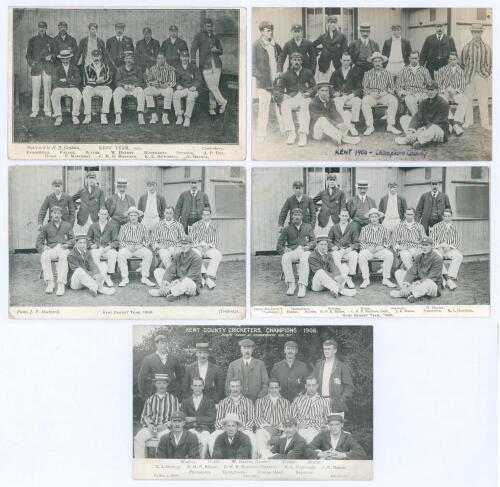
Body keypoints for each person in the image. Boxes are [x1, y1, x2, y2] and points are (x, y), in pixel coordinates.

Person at [274, 52, 315, 147]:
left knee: (305, 105)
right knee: (285, 105)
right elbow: (277, 91)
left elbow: (314, 87)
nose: (296, 62)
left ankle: (302, 134)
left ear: (302, 61)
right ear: (291, 61)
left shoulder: (308, 72)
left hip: (304, 96)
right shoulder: (286, 74)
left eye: (298, 60)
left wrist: (309, 93)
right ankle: (291, 133)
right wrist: (283, 96)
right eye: (294, 60)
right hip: (292, 97)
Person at [134, 373, 179, 458]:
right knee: (139, 437)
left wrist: (166, 425)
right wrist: (149, 425)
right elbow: (145, 416)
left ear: (167, 384)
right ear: (155, 384)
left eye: (164, 383)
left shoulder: (173, 399)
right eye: (159, 383)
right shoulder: (150, 399)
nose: (161, 386)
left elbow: (176, 418)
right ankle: (140, 464)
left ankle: (160, 465)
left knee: (164, 440)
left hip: (165, 429)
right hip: (151, 428)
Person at [396, 80, 450, 149]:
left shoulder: (443, 104)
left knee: (433, 128)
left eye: (432, 90)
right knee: (404, 118)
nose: (430, 92)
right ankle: (415, 138)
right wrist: (411, 131)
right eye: (428, 90)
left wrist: (420, 130)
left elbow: (438, 122)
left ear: (437, 91)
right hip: (424, 128)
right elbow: (417, 117)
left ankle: (412, 140)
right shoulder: (424, 102)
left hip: (439, 130)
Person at [209, 380, 256, 457]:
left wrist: (242, 428)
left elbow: (251, 420)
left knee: (252, 438)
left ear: (241, 387)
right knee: (212, 437)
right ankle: (215, 462)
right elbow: (218, 420)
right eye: (233, 386)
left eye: (237, 386)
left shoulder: (248, 402)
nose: (235, 389)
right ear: (229, 388)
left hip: (243, 429)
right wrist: (224, 428)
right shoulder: (223, 402)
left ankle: (253, 461)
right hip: (226, 429)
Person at [276, 208, 316, 298]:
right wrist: (284, 250)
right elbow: (279, 245)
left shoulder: (308, 227)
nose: (297, 217)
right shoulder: (287, 229)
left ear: (302, 216)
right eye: (295, 215)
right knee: (285, 257)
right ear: (292, 216)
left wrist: (309, 246)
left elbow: (314, 241)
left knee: (305, 257)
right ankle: (291, 284)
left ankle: (302, 285)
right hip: (293, 251)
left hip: (304, 250)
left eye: (299, 215)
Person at [191, 18, 228, 115]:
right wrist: (193, 64)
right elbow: (193, 51)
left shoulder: (215, 37)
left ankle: (212, 107)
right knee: (210, 86)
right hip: (205, 65)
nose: (209, 28)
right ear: (203, 26)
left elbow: (221, 51)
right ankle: (223, 102)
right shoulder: (198, 37)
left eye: (210, 26)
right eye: (207, 26)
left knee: (214, 87)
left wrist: (217, 50)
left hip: (216, 65)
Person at [149, 235, 203, 301]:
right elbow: (171, 269)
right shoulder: (178, 255)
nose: (183, 246)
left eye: (186, 244)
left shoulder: (196, 258)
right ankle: (171, 292)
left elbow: (192, 276)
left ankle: (164, 292)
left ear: (191, 244)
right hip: (178, 282)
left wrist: (174, 283)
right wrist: (165, 282)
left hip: (192, 285)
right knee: (158, 271)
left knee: (187, 281)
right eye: (182, 244)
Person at [390, 236, 443, 302]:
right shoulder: (419, 257)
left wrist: (412, 285)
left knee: (428, 282)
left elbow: (432, 277)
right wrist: (405, 285)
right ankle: (409, 292)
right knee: (399, 272)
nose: (424, 247)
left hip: (433, 285)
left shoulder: (437, 259)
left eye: (426, 245)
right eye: (423, 245)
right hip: (418, 282)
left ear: (432, 245)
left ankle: (409, 294)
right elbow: (412, 271)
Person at [36, 205, 74, 296]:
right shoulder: (46, 227)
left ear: (61, 214)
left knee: (64, 256)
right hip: (52, 249)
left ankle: (61, 284)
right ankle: (50, 283)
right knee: (44, 255)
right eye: (54, 213)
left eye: (58, 213)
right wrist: (43, 247)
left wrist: (67, 244)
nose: (56, 215)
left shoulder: (67, 225)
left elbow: (73, 239)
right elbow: (38, 242)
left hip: (64, 248)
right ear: (51, 214)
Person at [253, 20, 281, 142]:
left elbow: (280, 61)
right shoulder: (256, 46)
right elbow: (251, 66)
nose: (270, 33)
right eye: (268, 30)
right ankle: (261, 134)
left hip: (276, 82)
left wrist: (280, 74)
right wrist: (261, 77)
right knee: (263, 108)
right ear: (261, 32)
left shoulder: (276, 46)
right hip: (263, 83)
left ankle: (285, 130)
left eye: (271, 30)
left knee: (280, 105)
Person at [308, 82, 360, 148]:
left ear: (329, 91)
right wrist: (336, 124)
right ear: (318, 91)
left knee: (347, 113)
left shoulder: (330, 101)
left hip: (328, 131)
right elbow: (322, 117)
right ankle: (342, 138)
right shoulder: (313, 103)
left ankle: (338, 136)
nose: (324, 93)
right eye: (322, 91)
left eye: (326, 90)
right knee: (322, 119)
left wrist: (341, 123)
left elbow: (335, 113)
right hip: (318, 133)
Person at [361, 52, 401, 136]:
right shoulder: (367, 74)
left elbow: (392, 88)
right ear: (373, 63)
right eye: (375, 61)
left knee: (393, 100)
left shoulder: (388, 73)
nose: (377, 63)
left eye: (379, 61)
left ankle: (390, 125)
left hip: (384, 95)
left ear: (382, 62)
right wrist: (371, 94)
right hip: (372, 96)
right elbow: (364, 88)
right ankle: (370, 126)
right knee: (365, 101)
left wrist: (385, 92)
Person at [461, 24, 492, 129]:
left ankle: (485, 123)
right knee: (467, 98)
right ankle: (468, 121)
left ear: (481, 33)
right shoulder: (466, 47)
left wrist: (485, 74)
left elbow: (489, 64)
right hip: (469, 76)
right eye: (474, 32)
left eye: (478, 32)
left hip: (481, 76)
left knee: (483, 99)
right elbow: (462, 63)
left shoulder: (486, 48)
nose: (477, 34)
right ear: (471, 33)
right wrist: (467, 72)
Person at [116, 207, 155, 287]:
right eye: (131, 215)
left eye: (135, 215)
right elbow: (120, 240)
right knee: (120, 254)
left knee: (148, 253)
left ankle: (144, 277)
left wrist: (141, 245)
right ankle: (125, 278)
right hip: (127, 248)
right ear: (128, 217)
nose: (133, 217)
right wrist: (127, 246)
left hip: (139, 248)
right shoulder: (124, 227)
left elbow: (147, 241)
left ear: (138, 216)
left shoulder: (143, 227)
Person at [358, 208, 396, 289]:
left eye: (376, 217)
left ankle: (385, 279)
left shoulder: (383, 228)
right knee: (361, 256)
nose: (374, 219)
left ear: (379, 218)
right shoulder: (364, 229)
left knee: (389, 255)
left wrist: (382, 247)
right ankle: (366, 279)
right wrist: (368, 248)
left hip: (380, 250)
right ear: (369, 218)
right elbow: (361, 242)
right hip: (368, 250)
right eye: (372, 217)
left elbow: (388, 242)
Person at [137, 334, 183, 401]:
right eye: (162, 343)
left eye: (166, 343)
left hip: (172, 395)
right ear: (156, 344)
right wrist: (144, 395)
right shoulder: (149, 359)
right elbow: (141, 378)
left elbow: (179, 378)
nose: (164, 345)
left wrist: (178, 393)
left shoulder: (174, 359)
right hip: (154, 395)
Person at [312, 339, 354, 413]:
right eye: (325, 349)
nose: (326, 351)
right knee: (320, 424)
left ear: (335, 350)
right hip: (320, 403)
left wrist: (341, 400)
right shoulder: (319, 366)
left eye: (329, 349)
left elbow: (349, 387)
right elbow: (312, 382)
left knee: (334, 424)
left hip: (336, 405)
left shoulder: (341, 366)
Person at [180, 376, 216, 459]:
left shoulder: (209, 401)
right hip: (189, 428)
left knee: (205, 441)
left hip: (204, 429)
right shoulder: (186, 401)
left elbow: (211, 418)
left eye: (200, 386)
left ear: (203, 387)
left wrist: (195, 419)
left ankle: (202, 462)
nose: (197, 388)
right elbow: (183, 417)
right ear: (191, 387)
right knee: (187, 440)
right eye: (195, 386)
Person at [254, 378, 291, 459]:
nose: (274, 390)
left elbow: (287, 419)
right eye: (271, 388)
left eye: (276, 387)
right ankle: (267, 457)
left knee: (288, 435)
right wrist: (268, 428)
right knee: (259, 433)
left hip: (281, 431)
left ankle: (276, 457)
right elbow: (257, 418)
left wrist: (279, 430)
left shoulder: (286, 402)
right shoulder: (260, 401)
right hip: (266, 430)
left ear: (279, 388)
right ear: (268, 389)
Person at [435, 52, 468, 136]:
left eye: (454, 59)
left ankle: (456, 121)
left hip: (456, 93)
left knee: (464, 99)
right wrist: (445, 91)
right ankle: (451, 123)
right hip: (444, 92)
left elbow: (462, 85)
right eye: (450, 59)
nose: (452, 61)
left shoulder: (461, 71)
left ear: (457, 60)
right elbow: (438, 84)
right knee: (441, 99)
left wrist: (455, 91)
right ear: (448, 60)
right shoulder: (442, 70)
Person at [290, 376, 331, 443]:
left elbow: (329, 419)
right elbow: (291, 417)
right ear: (305, 386)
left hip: (316, 430)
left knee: (309, 440)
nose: (311, 388)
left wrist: (325, 427)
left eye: (313, 385)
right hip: (300, 429)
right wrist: (298, 424)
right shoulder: (298, 400)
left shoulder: (324, 401)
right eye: (309, 385)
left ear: (317, 386)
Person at [26, 20, 54, 118]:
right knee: (35, 90)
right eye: (40, 27)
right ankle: (35, 110)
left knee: (48, 89)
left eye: (43, 27)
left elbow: (55, 53)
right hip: (36, 68)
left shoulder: (51, 40)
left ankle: (47, 110)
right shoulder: (32, 40)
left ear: (46, 28)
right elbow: (28, 55)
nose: (41, 29)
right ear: (38, 28)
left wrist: (51, 56)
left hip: (47, 67)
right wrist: (31, 62)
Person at [330, 52, 363, 135]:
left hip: (350, 97)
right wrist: (334, 93)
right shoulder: (335, 73)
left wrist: (353, 94)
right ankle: (347, 125)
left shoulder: (355, 73)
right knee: (336, 102)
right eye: (344, 60)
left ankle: (353, 124)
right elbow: (330, 87)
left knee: (357, 101)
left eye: (348, 60)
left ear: (351, 61)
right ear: (341, 60)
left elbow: (360, 88)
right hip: (339, 97)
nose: (346, 62)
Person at [430, 208, 462, 291]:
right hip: (438, 248)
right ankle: (445, 279)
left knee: (458, 256)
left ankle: (450, 276)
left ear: (451, 217)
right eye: (445, 216)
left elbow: (457, 241)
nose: (447, 218)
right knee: (437, 257)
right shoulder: (436, 226)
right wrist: (439, 247)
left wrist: (450, 247)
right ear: (442, 217)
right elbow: (432, 240)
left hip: (450, 248)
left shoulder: (454, 227)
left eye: (448, 216)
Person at [190, 207, 222, 289]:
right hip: (197, 247)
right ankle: (202, 277)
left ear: (210, 215)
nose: (206, 217)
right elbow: (192, 239)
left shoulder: (214, 226)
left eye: (208, 215)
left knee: (217, 255)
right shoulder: (195, 225)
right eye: (204, 215)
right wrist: (199, 248)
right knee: (196, 256)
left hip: (208, 248)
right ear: (202, 215)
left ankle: (209, 275)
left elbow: (215, 240)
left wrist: (207, 247)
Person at [87, 207, 119, 287]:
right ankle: (99, 275)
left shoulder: (112, 226)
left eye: (105, 214)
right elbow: (88, 239)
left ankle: (108, 276)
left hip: (107, 248)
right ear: (98, 214)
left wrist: (109, 246)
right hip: (97, 248)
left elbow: (116, 241)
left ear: (107, 215)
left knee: (113, 254)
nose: (103, 216)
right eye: (101, 214)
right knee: (93, 254)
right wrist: (91, 245)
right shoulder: (93, 226)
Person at [328, 208, 360, 289]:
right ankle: (341, 277)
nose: (344, 217)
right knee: (334, 255)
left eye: (346, 216)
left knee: (354, 254)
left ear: (348, 217)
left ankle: (349, 277)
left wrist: (351, 248)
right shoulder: (334, 227)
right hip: (338, 250)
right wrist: (332, 246)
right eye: (342, 215)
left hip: (347, 250)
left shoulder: (352, 227)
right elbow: (328, 241)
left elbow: (356, 242)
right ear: (339, 216)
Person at [51, 49, 82, 127]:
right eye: (63, 58)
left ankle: (75, 115)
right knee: (54, 94)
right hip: (61, 88)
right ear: (61, 59)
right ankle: (58, 117)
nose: (65, 60)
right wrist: (70, 82)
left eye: (67, 58)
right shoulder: (56, 68)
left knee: (78, 94)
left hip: (72, 88)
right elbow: (55, 81)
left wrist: (66, 80)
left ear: (70, 58)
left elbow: (78, 80)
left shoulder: (74, 68)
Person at [113, 52, 145, 125]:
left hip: (134, 88)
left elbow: (141, 81)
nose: (128, 60)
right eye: (127, 58)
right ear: (124, 60)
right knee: (116, 92)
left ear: (133, 60)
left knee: (141, 91)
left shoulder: (138, 69)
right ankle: (118, 115)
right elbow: (117, 82)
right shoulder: (120, 69)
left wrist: (135, 85)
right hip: (124, 88)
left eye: (130, 58)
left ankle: (140, 115)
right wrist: (123, 85)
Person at [396, 50, 432, 116]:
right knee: (409, 99)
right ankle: (417, 118)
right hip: (409, 94)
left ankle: (421, 119)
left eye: (416, 58)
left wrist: (425, 93)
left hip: (421, 94)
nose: (414, 60)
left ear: (418, 58)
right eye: (412, 58)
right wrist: (405, 93)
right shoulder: (403, 71)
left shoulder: (424, 70)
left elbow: (429, 85)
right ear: (409, 58)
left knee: (426, 99)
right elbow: (398, 87)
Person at [82, 49, 113, 125]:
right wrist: (96, 82)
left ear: (101, 56)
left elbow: (109, 79)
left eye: (98, 56)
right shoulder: (87, 67)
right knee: (85, 91)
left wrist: (102, 82)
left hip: (102, 87)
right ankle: (87, 116)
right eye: (94, 56)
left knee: (108, 91)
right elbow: (85, 81)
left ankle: (104, 115)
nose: (96, 58)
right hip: (91, 87)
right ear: (92, 57)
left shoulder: (106, 66)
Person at [144, 52, 176, 125]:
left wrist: (167, 84)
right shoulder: (152, 68)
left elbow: (173, 81)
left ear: (165, 59)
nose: (160, 60)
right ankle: (154, 115)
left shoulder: (170, 68)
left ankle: (165, 116)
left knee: (170, 91)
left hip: (165, 88)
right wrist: (153, 83)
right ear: (156, 59)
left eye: (162, 58)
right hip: (156, 88)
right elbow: (148, 81)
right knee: (146, 91)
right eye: (158, 58)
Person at [150, 206, 185, 271]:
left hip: (176, 247)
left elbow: (183, 239)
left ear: (173, 213)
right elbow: (153, 241)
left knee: (179, 254)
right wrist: (159, 246)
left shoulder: (178, 225)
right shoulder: (158, 225)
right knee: (164, 254)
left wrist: (179, 246)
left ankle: (177, 272)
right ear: (164, 213)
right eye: (167, 213)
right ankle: (171, 272)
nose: (168, 215)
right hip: (163, 247)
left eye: (170, 213)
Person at [173, 49, 202, 127]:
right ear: (180, 57)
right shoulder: (178, 68)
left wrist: (194, 86)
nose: (184, 58)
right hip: (183, 89)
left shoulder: (193, 67)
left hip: (192, 90)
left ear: (188, 57)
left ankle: (187, 118)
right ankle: (179, 116)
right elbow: (176, 80)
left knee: (191, 97)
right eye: (183, 57)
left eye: (186, 57)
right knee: (176, 94)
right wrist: (178, 85)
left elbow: (198, 79)